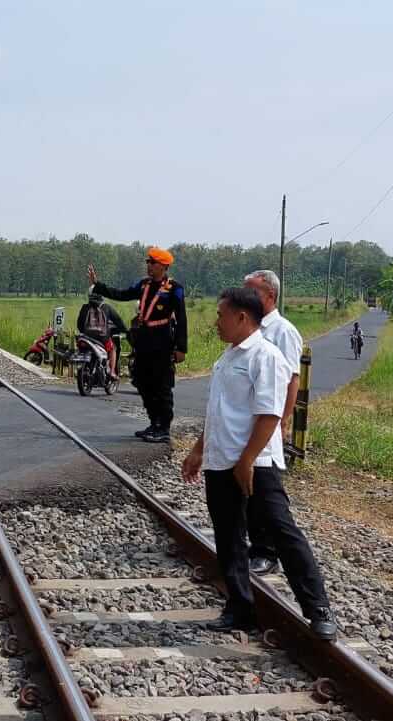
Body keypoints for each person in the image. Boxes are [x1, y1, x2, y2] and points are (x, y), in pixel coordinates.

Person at [179, 287, 338, 639]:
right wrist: (198, 450)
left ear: (242, 318)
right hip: (222, 461)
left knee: (282, 532)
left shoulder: (264, 356)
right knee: (229, 536)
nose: (216, 322)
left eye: (221, 315)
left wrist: (247, 460)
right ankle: (240, 607)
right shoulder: (228, 357)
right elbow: (218, 412)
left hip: (256, 464)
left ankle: (319, 608)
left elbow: (269, 414)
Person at [87, 247, 187, 443]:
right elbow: (121, 294)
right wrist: (97, 285)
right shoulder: (143, 285)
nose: (148, 266)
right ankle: (153, 422)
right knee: (141, 381)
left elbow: (182, 318)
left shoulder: (175, 289)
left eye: (153, 263)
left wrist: (181, 348)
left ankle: (163, 427)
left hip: (163, 341)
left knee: (161, 385)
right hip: (143, 340)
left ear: (164, 266)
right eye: (148, 262)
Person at [241, 269, 303, 574]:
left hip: (268, 422)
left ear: (270, 296)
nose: (247, 297)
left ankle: (267, 551)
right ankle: (251, 545)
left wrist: (282, 421)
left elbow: (292, 380)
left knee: (266, 491)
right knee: (246, 488)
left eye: (253, 292)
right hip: (246, 420)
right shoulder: (249, 327)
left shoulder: (282, 331)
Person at [76, 292, 126, 377]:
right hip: (102, 339)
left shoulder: (85, 307)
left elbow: (79, 324)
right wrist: (125, 330)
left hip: (87, 337)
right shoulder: (107, 308)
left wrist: (86, 332)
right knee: (113, 348)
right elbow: (119, 322)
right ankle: (112, 372)